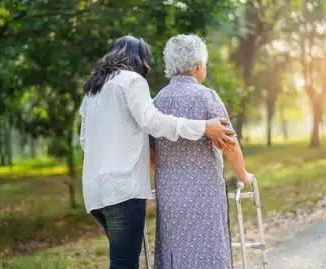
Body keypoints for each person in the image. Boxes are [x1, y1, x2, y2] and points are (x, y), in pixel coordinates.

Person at [79, 36, 235, 269]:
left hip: (95, 193)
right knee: (125, 263)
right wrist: (203, 127)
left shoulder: (93, 90)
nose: (148, 67)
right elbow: (153, 122)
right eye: (146, 60)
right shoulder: (132, 81)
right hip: (122, 191)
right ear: (138, 59)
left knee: (120, 259)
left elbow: (85, 140)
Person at [151, 34, 254, 269]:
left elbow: (152, 154)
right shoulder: (206, 96)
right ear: (199, 67)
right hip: (204, 192)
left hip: (170, 195)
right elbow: (231, 144)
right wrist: (243, 175)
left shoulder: (156, 102)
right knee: (209, 251)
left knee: (175, 251)